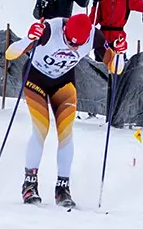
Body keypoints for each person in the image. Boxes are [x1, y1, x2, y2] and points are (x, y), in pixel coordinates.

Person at [8, 12, 118, 207]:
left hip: (63, 84)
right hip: (35, 79)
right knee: (41, 129)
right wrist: (29, 38)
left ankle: (62, 188)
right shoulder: (50, 30)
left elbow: (115, 67)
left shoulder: (95, 36)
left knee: (66, 133)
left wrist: (120, 54)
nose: (72, 47)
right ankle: (29, 184)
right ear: (65, 31)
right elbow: (10, 53)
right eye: (69, 42)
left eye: (77, 45)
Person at [89, 0, 143, 69]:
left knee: (118, 67)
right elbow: (92, 21)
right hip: (103, 38)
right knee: (102, 67)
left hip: (118, 38)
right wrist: (94, 5)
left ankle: (118, 83)